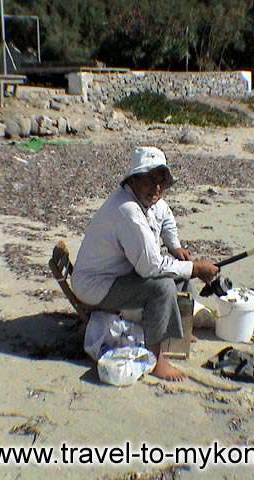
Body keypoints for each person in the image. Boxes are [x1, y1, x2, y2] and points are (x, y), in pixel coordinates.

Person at [72, 146, 219, 381]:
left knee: (177, 269)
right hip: (95, 286)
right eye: (149, 179)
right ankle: (157, 360)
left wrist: (174, 246)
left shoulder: (150, 200)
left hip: (116, 275)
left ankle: (179, 330)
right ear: (133, 179)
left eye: (161, 181)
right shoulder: (128, 211)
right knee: (161, 288)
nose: (156, 187)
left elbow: (167, 217)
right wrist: (197, 269)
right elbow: (149, 268)